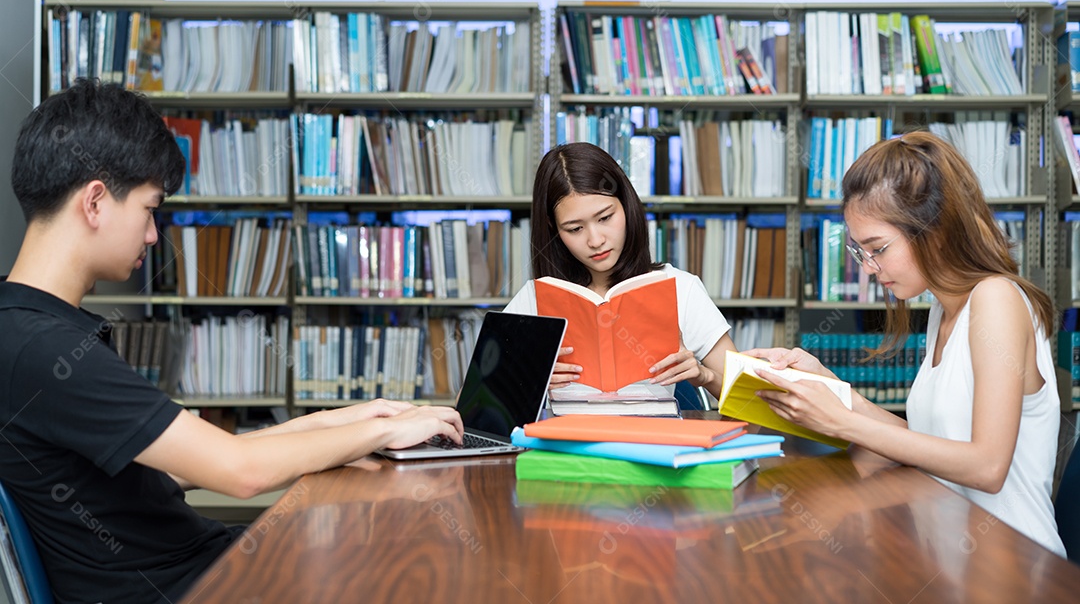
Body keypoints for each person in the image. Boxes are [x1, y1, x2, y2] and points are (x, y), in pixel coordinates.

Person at [0, 80, 464, 602]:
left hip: (204, 570)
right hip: (198, 587)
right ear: (94, 202)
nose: (152, 235)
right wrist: (383, 433)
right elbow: (242, 473)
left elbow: (181, 465)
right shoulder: (46, 350)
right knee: (417, 561)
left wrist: (351, 420)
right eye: (150, 209)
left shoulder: (25, 328)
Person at [747, 131, 1065, 556]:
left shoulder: (996, 299)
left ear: (935, 231)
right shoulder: (942, 310)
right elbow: (930, 443)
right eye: (862, 253)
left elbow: (987, 466)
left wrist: (842, 423)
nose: (869, 269)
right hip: (955, 561)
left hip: (1018, 566)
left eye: (878, 248)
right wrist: (833, 390)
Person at [503, 142, 737, 399]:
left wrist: (705, 376)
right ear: (553, 229)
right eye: (575, 229)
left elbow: (748, 399)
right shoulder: (534, 300)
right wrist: (529, 379)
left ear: (626, 205)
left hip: (652, 426)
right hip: (568, 427)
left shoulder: (680, 288)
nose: (595, 240)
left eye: (605, 218)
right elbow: (480, 402)